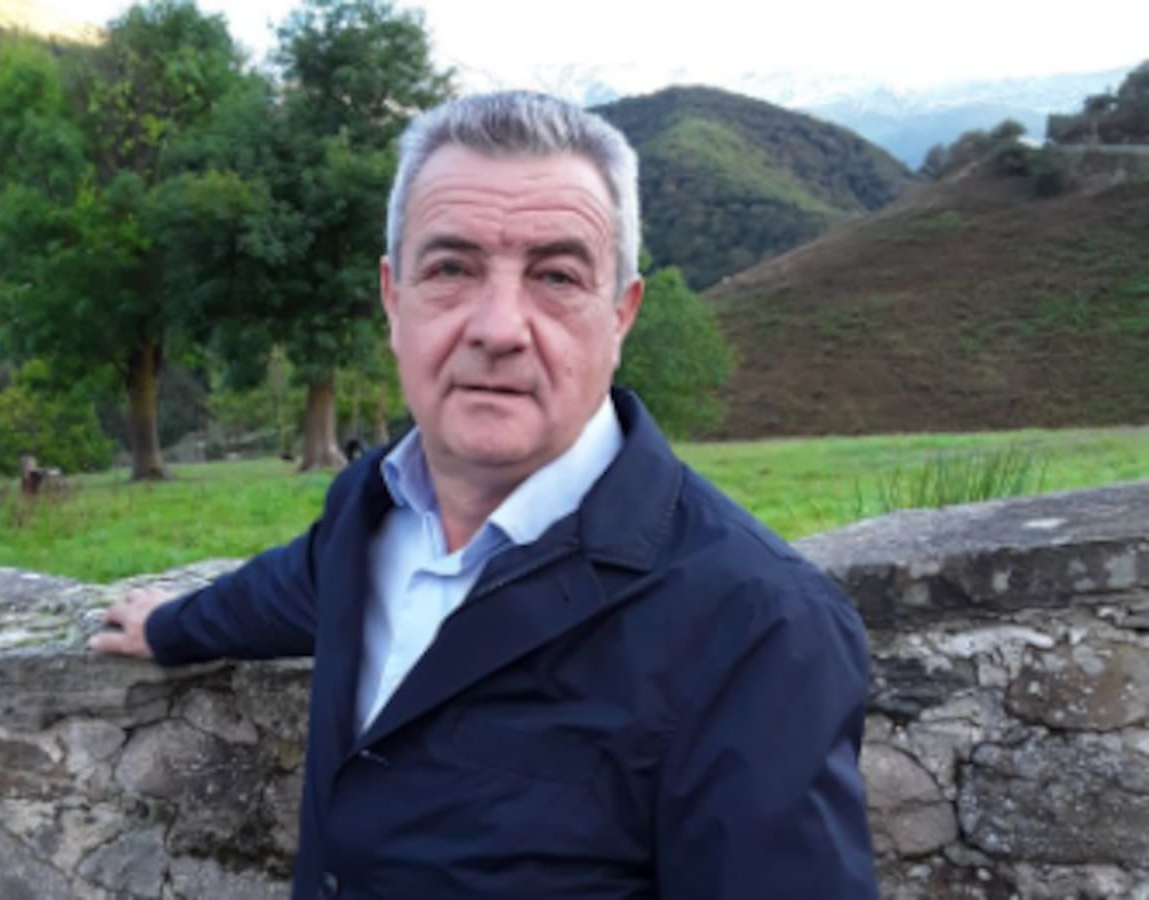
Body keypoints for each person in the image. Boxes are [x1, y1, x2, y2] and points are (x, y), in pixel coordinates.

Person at [91, 91, 878, 899]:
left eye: (556, 276)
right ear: (394, 300)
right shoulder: (370, 508)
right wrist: (170, 626)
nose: (499, 327)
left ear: (621, 315)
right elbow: (290, 588)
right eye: (452, 269)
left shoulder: (758, 626)